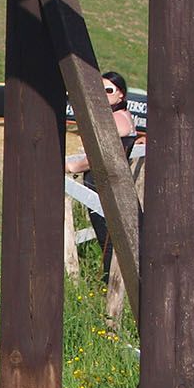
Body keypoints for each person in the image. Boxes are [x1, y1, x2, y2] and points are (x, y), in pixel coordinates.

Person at [64, 71, 135, 279]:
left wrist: (74, 167)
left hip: (102, 184)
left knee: (108, 238)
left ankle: (111, 281)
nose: (104, 94)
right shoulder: (121, 117)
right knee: (108, 237)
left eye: (109, 90)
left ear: (121, 95)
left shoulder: (116, 119)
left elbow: (103, 155)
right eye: (100, 90)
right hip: (103, 183)